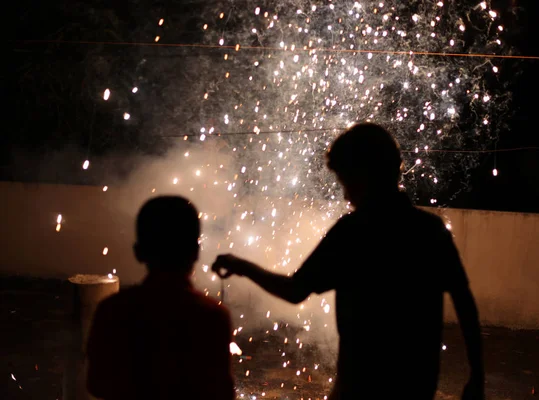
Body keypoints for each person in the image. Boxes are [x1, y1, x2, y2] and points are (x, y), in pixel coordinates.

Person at [213, 123, 484, 399]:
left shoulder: (351, 233)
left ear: (365, 175)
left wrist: (242, 266)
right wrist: (477, 375)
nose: (345, 194)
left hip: (357, 388)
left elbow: (295, 290)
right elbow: (465, 305)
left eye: (346, 181)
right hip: (416, 387)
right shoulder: (429, 231)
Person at [87, 196, 235, 400]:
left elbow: (96, 384)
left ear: (138, 252)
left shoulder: (113, 310)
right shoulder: (213, 316)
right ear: (196, 252)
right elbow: (222, 393)